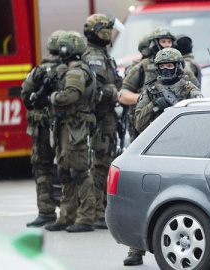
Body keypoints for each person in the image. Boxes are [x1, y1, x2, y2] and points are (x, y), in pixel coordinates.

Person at [121, 48, 203, 266]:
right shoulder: (150, 90)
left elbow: (201, 116)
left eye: (170, 66)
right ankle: (135, 249)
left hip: (183, 152)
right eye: (162, 66)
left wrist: (177, 108)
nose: (166, 70)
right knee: (143, 200)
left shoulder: (188, 88)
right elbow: (138, 122)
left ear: (177, 66)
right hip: (154, 151)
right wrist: (155, 106)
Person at [44, 31, 97, 233]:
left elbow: (71, 95)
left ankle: (86, 218)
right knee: (65, 172)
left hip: (75, 127)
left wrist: (53, 97)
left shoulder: (76, 71)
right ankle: (66, 217)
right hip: (66, 126)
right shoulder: (70, 69)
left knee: (79, 172)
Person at [118, 27, 199, 143]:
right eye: (163, 41)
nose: (167, 45)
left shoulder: (181, 66)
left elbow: (195, 93)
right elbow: (123, 95)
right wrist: (152, 100)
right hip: (148, 126)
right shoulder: (143, 66)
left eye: (169, 42)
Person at [20, 30, 65, 228]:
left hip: (43, 128)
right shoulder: (72, 69)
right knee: (69, 168)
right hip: (66, 127)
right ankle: (71, 213)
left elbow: (25, 95)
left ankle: (46, 212)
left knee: (42, 167)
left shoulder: (40, 70)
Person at [82, 13, 122, 230]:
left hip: (107, 117)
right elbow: (94, 90)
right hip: (99, 118)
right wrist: (116, 94)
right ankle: (98, 210)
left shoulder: (103, 55)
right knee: (100, 165)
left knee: (106, 163)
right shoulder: (94, 58)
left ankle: (102, 208)